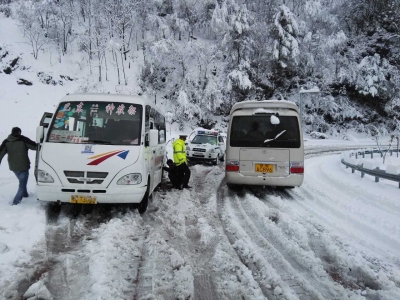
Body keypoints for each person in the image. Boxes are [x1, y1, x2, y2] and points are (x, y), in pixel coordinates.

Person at [0, 127, 37, 205]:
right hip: (23, 166)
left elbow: (0, 153)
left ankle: (25, 194)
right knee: (22, 184)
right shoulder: (23, 139)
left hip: (13, 167)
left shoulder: (6, 141)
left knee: (22, 181)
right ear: (19, 132)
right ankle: (16, 202)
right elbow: (35, 147)